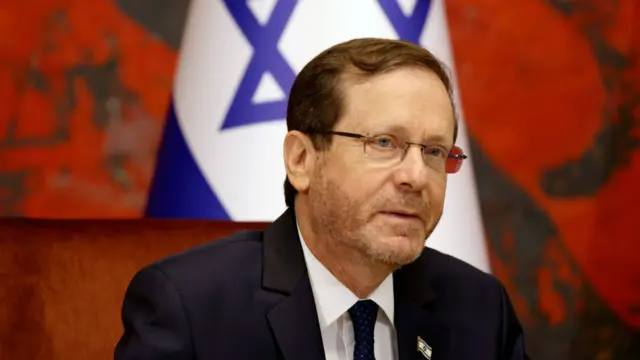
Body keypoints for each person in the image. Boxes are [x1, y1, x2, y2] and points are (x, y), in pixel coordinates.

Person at [114, 38, 530, 360]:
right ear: (301, 160)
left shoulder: (479, 310)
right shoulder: (190, 308)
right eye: (384, 142)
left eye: (435, 151)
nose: (416, 177)